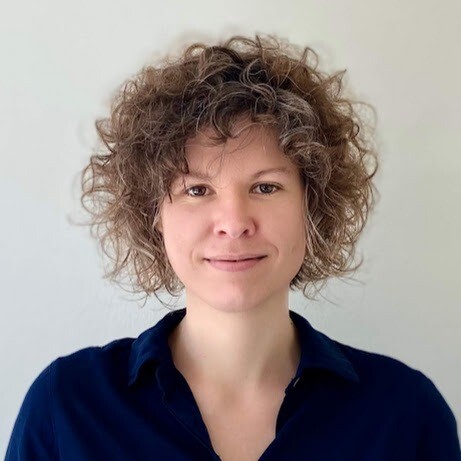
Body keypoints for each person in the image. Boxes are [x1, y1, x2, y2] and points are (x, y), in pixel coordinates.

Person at [6, 35, 460, 461]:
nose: (234, 223)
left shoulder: (406, 415)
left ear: (313, 204)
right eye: (197, 190)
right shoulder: (68, 407)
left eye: (265, 187)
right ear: (153, 214)